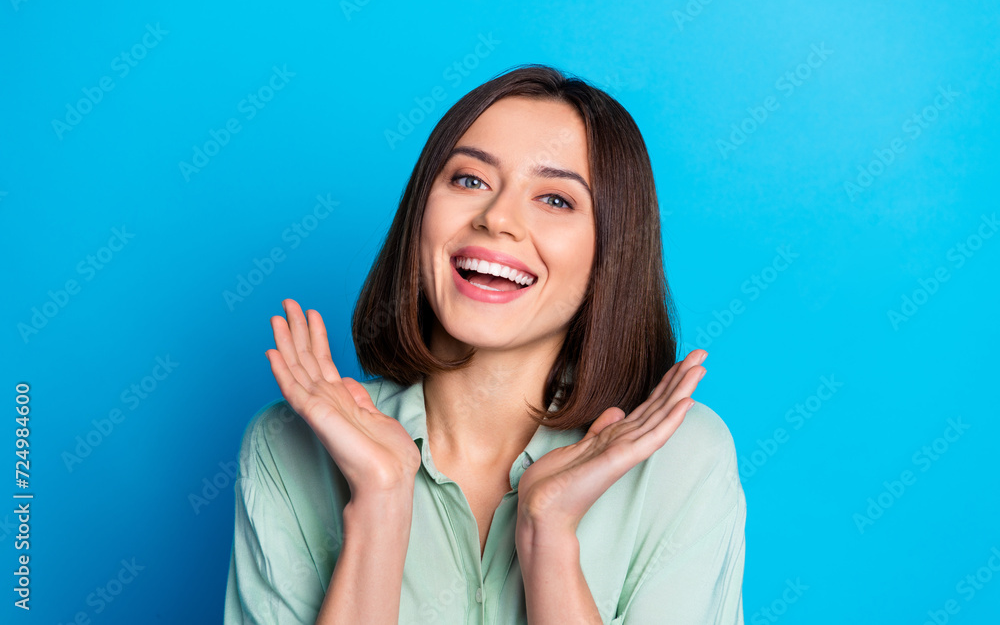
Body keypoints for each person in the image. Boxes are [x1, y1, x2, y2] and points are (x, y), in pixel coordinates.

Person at [224, 64, 746, 624]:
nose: (497, 219)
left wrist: (548, 535)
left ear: (609, 255)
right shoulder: (289, 447)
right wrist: (380, 501)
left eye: (556, 199)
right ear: (419, 214)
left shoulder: (680, 458)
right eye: (469, 180)